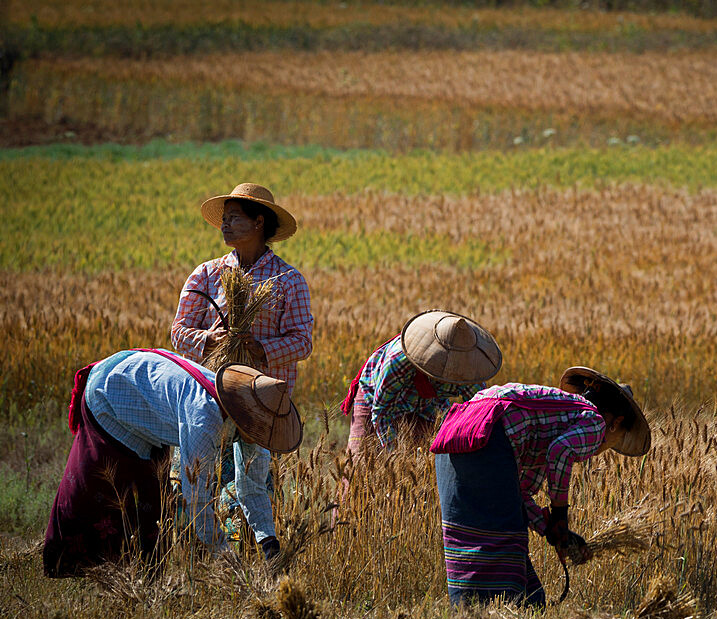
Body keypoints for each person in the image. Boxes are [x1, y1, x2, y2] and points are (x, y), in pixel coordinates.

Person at [43, 349, 302, 577]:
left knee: (149, 500)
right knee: (119, 497)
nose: (262, 436)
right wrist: (228, 560)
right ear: (246, 419)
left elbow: (253, 487)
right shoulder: (204, 418)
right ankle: (89, 569)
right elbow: (196, 498)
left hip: (143, 388)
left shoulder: (253, 424)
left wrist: (269, 542)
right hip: (112, 391)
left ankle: (140, 577)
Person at [430, 366, 651, 607]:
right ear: (616, 423)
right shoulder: (595, 422)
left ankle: (470, 618)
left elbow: (519, 496)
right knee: (504, 540)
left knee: (470, 540)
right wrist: (560, 514)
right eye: (616, 442)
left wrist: (553, 531)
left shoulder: (553, 418)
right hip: (490, 435)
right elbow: (561, 451)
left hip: (455, 433)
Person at [170, 183, 312, 527]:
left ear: (259, 222)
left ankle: (251, 554)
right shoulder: (207, 274)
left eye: (234, 218)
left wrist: (259, 348)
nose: (225, 225)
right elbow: (178, 333)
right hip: (209, 396)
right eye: (224, 219)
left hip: (260, 404)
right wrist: (208, 339)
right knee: (193, 481)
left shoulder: (287, 280)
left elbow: (302, 341)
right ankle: (194, 549)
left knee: (252, 488)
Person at [340, 310, 502, 453]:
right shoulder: (398, 362)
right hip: (376, 398)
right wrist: (395, 453)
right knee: (360, 463)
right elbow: (382, 412)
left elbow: (478, 410)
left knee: (428, 459)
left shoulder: (469, 369)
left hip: (428, 406)